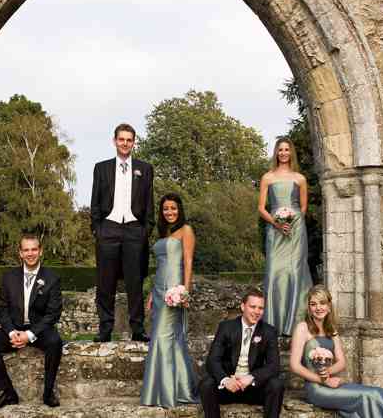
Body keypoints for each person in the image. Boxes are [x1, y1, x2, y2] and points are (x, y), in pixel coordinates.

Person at [289, 285, 383, 417]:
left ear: (329, 306)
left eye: (322, 303)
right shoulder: (302, 328)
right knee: (371, 395)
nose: (318, 307)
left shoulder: (331, 329)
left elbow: (341, 362)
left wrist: (328, 373)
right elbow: (295, 366)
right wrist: (323, 380)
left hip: (331, 383)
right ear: (309, 308)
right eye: (313, 304)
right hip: (316, 390)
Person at [0, 234, 63, 408]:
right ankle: (8, 393)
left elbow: (53, 314)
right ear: (20, 253)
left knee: (55, 343)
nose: (30, 253)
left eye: (34, 249)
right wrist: (12, 332)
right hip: (15, 328)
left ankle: (48, 393)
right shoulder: (8, 277)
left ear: (40, 251)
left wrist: (29, 335)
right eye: (26, 250)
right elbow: (2, 309)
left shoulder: (52, 278)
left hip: (40, 329)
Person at [90, 123, 154, 342]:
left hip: (135, 229)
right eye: (121, 139)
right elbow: (95, 202)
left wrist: (145, 230)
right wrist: (98, 229)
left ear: (133, 142)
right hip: (108, 227)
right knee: (105, 283)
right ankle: (105, 329)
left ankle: (138, 329)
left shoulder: (145, 169)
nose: (125, 143)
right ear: (115, 141)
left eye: (129, 140)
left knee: (135, 283)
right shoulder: (101, 168)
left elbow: (149, 202)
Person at [140, 193, 199, 408]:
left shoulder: (186, 230)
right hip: (158, 291)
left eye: (173, 208)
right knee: (169, 339)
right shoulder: (164, 233)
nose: (169, 212)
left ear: (179, 209)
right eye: (166, 208)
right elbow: (160, 267)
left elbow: (188, 261)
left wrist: (185, 291)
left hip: (174, 291)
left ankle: (164, 394)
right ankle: (175, 389)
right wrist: (150, 294)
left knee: (161, 337)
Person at [199, 289, 285, 418]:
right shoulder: (226, 327)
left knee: (276, 385)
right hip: (228, 387)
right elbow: (213, 361)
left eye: (260, 308)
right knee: (206, 384)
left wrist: (251, 378)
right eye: (253, 307)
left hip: (253, 389)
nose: (257, 312)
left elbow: (274, 366)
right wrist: (225, 380)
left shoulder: (269, 331)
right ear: (243, 306)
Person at [258, 136, 313, 336]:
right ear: (276, 153)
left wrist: (292, 222)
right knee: (274, 271)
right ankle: (272, 325)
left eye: (286, 149)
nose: (283, 153)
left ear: (291, 153)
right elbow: (261, 208)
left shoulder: (300, 178)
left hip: (295, 231)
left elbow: (303, 207)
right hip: (274, 230)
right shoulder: (267, 177)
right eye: (280, 150)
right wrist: (277, 223)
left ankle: (294, 325)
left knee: (295, 272)